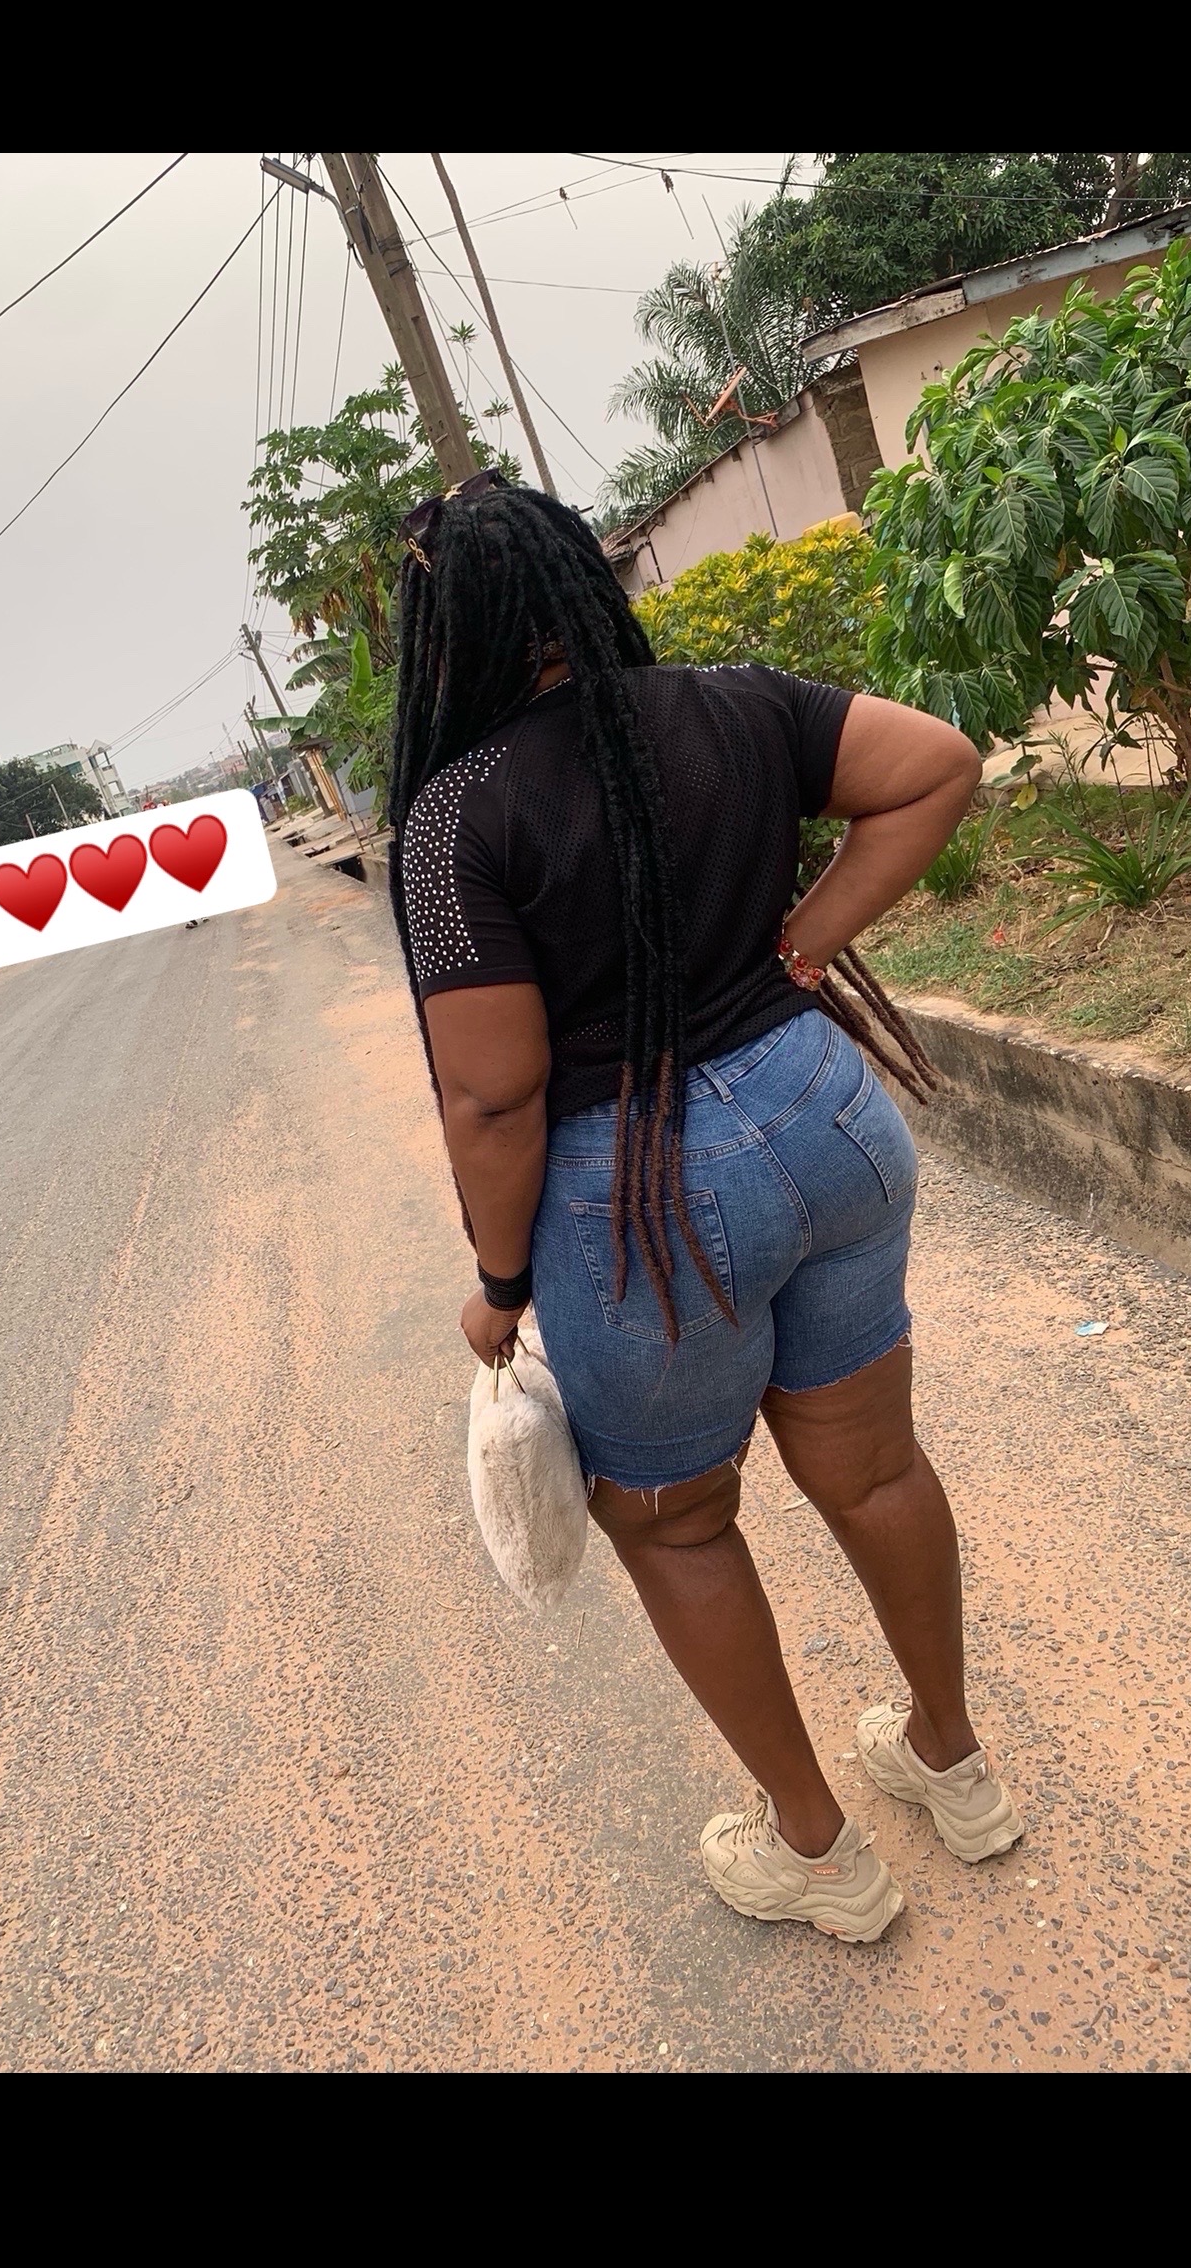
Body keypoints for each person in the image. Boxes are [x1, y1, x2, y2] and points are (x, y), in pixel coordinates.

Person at [389, 472, 1023, 1943]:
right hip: (827, 1116)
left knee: (674, 1525)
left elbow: (496, 1098)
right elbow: (937, 765)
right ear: (578, 581)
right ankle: (953, 1764)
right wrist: (799, 952)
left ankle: (819, 1851)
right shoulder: (734, 703)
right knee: (873, 1468)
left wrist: (499, 1283)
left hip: (645, 1199)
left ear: (441, 637)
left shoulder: (453, 819)